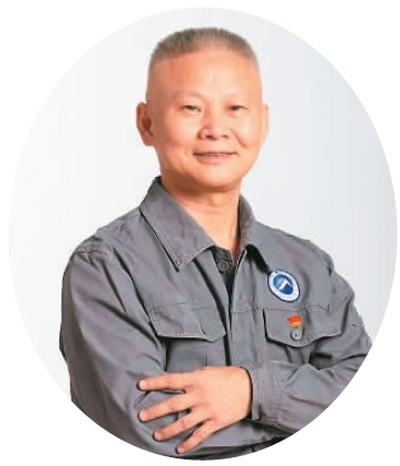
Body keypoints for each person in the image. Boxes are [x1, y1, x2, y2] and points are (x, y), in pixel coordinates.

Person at [59, 27, 372, 459]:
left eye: (235, 108)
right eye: (191, 108)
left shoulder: (310, 267)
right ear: (147, 123)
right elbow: (147, 429)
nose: (216, 129)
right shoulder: (105, 268)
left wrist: (252, 392)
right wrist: (299, 410)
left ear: (262, 123)